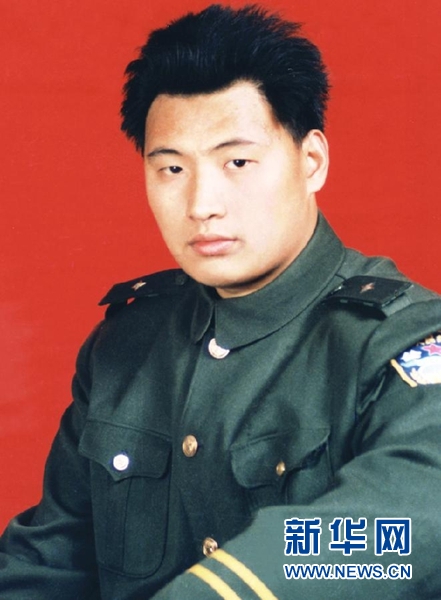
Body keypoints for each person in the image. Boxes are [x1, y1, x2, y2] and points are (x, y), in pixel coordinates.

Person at [1, 4, 441, 599]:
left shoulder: (404, 344)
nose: (202, 204)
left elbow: (402, 532)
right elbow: (49, 562)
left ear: (312, 161)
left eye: (237, 162)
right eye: (171, 168)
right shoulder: (127, 343)